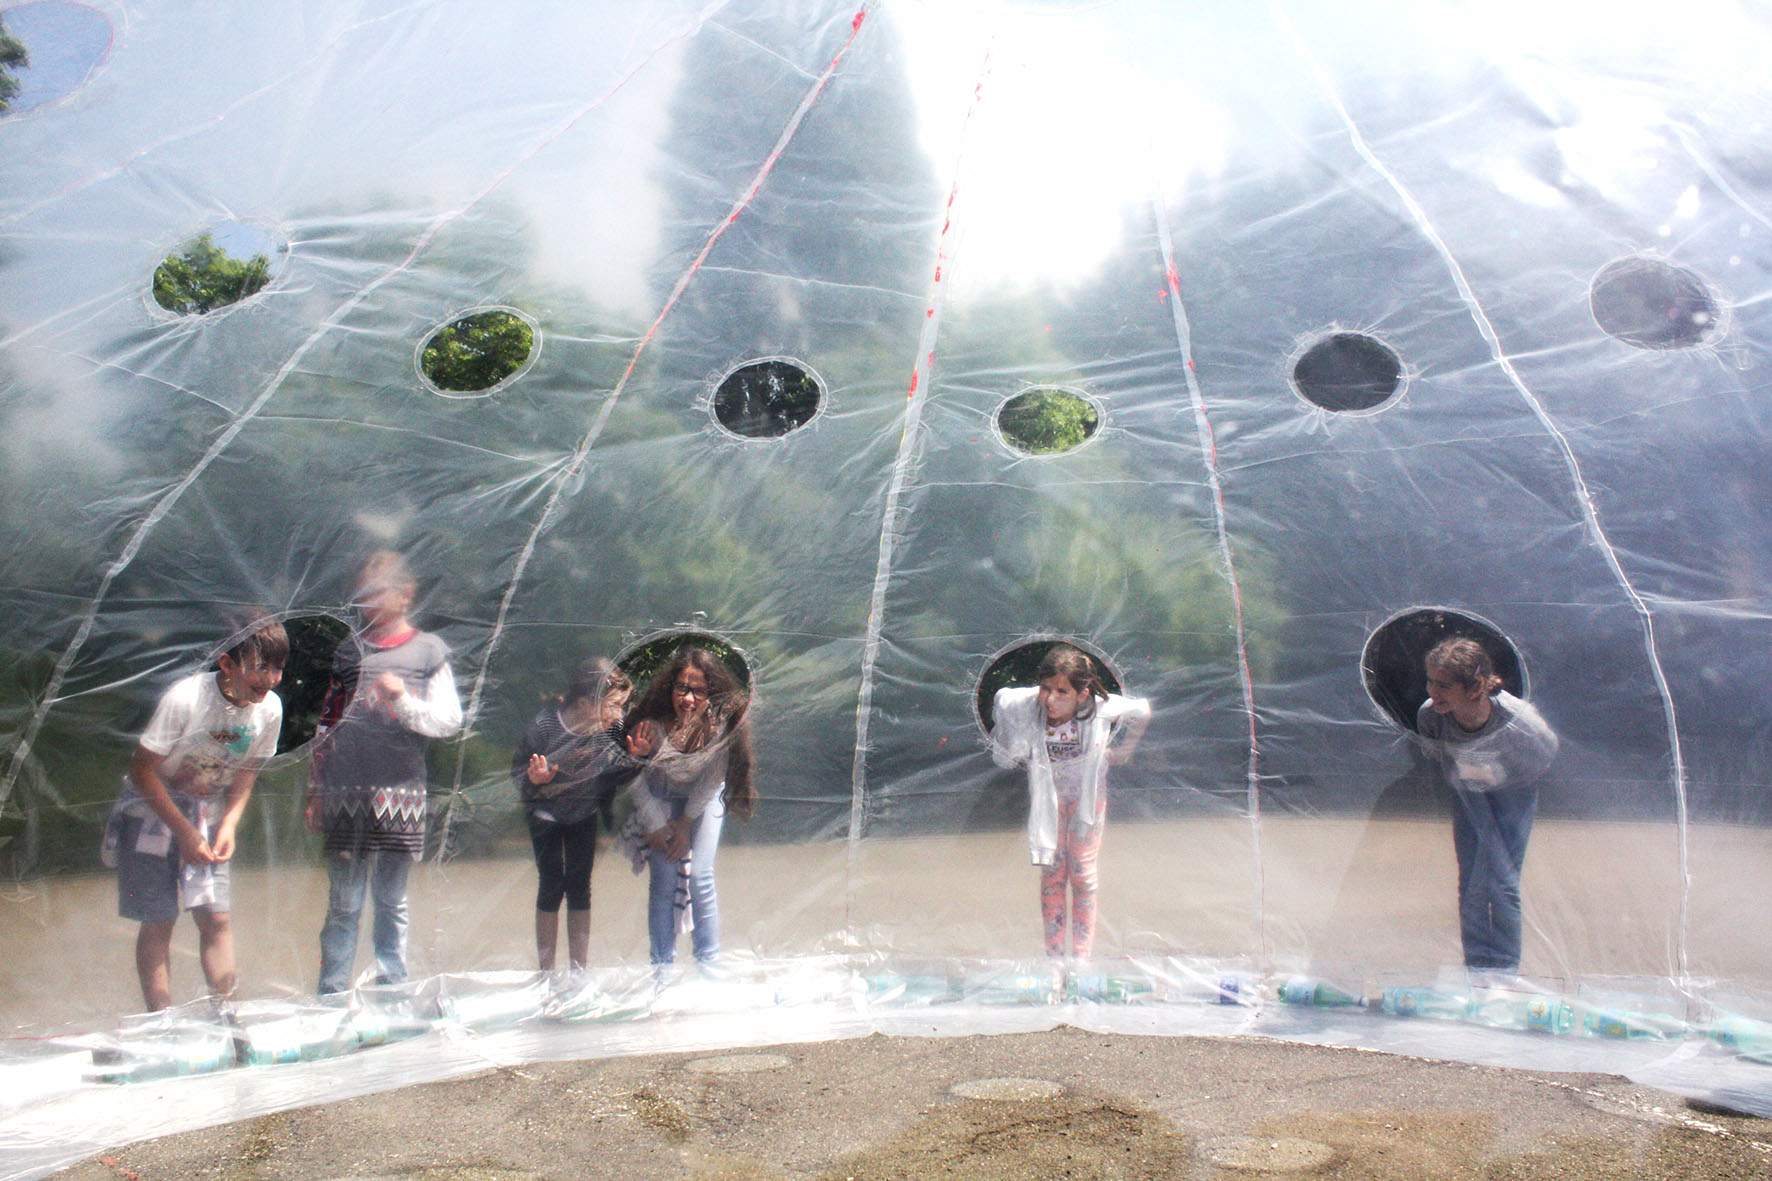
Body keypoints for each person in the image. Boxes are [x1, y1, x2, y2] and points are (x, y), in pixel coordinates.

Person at [105, 613, 287, 1011]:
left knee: (216, 918)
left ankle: (229, 1017)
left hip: (209, 815)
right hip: (151, 814)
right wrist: (183, 832)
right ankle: (162, 1020)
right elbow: (141, 769)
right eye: (260, 667)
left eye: (278, 667)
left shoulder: (269, 709)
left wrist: (231, 824)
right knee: (159, 919)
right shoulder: (186, 699)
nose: (271, 678)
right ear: (227, 664)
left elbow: (249, 768)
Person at [306, 550, 461, 996]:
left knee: (391, 900)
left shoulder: (428, 651)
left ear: (405, 593)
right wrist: (314, 792)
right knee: (344, 902)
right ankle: (333, 992)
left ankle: (393, 990)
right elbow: (324, 727)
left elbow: (448, 722)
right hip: (344, 792)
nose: (367, 601)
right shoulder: (347, 651)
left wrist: (401, 701)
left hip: (401, 793)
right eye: (363, 594)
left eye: (377, 592)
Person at [989, 644, 1150, 959]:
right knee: (1051, 872)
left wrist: (1124, 751)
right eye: (1045, 688)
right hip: (1049, 801)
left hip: (1085, 802)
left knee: (1082, 872)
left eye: (1062, 691)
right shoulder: (1031, 705)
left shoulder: (1099, 707)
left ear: (1082, 692)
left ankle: (1080, 958)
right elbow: (1001, 698)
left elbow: (1141, 709)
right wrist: (1015, 740)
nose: (1051, 699)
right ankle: (1054, 958)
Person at [1415, 637, 1559, 974]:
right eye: (1430, 681)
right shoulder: (1432, 715)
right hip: (1469, 792)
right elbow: (1434, 752)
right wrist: (1471, 777)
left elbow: (1547, 751)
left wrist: (1503, 776)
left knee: (1503, 879)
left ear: (1474, 687)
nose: (1433, 691)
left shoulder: (1517, 721)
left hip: (1514, 793)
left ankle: (1505, 968)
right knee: (1471, 880)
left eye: (1444, 685)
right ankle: (1477, 966)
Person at [621, 647, 756, 967]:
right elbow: (634, 778)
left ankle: (708, 965)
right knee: (664, 876)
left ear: (712, 694)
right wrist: (655, 825)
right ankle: (661, 971)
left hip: (703, 798)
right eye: (682, 688)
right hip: (658, 798)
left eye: (698, 691)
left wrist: (685, 824)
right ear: (670, 689)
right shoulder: (650, 727)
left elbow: (712, 781)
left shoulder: (720, 728)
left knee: (699, 875)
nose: (688, 699)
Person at [511, 658, 638, 972]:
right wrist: (533, 779)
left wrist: (636, 758)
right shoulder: (545, 726)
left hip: (584, 812)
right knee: (551, 884)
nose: (617, 715)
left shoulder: (612, 729)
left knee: (580, 885)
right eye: (611, 706)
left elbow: (618, 776)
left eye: (621, 706)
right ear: (583, 705)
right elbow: (516, 773)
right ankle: (546, 972)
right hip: (546, 816)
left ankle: (579, 969)